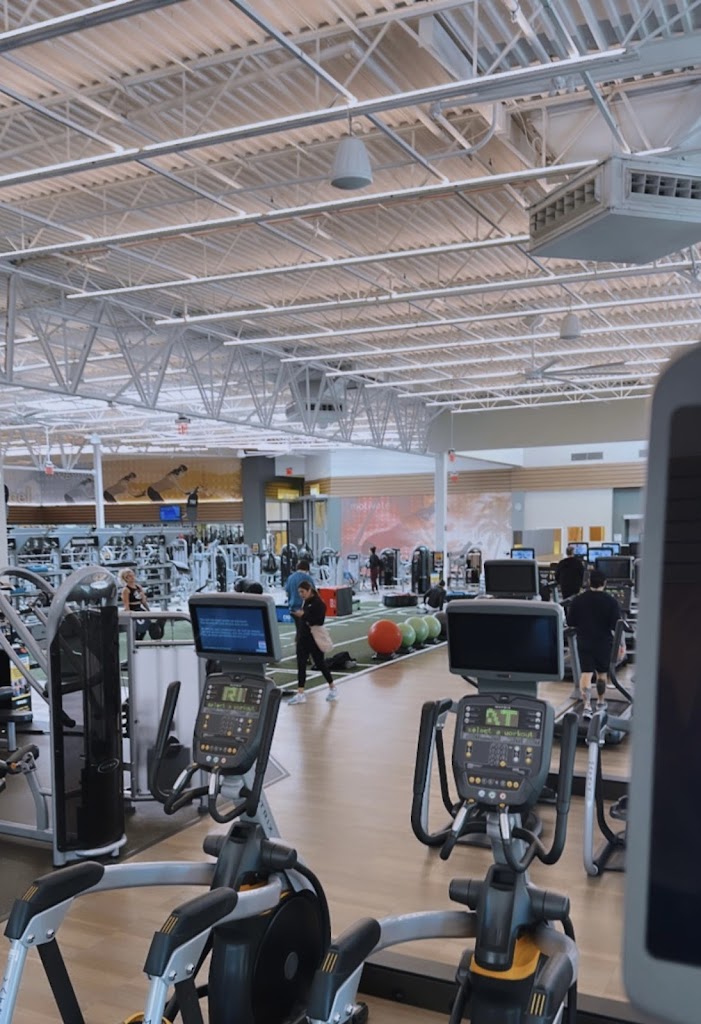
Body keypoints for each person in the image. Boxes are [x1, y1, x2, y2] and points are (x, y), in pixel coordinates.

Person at [566, 569, 621, 716]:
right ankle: (601, 702)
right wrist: (621, 645)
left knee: (586, 673)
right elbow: (615, 625)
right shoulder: (611, 601)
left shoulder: (578, 600)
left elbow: (570, 622)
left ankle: (587, 706)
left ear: (589, 582)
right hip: (603, 642)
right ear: (605, 583)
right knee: (602, 674)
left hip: (584, 641)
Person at [288, 581, 337, 704]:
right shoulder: (305, 602)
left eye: (302, 592)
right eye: (299, 592)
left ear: (309, 590)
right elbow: (304, 621)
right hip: (303, 638)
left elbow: (319, 621)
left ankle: (332, 687)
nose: (301, 594)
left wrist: (303, 616)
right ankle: (300, 693)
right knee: (301, 665)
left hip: (314, 639)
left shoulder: (319, 604)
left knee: (320, 663)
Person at [121, 568, 162, 641]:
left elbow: (143, 601)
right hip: (132, 609)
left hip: (139, 608)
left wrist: (148, 610)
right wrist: (129, 613)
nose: (132, 577)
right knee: (136, 630)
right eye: (129, 576)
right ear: (126, 578)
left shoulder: (138, 587)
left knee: (145, 627)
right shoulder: (126, 590)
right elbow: (126, 605)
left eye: (132, 575)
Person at [284, 557, 314, 629]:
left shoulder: (290, 577)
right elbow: (313, 593)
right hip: (303, 608)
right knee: (305, 630)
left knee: (299, 628)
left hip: (293, 608)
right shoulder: (307, 578)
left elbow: (287, 593)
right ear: (307, 569)